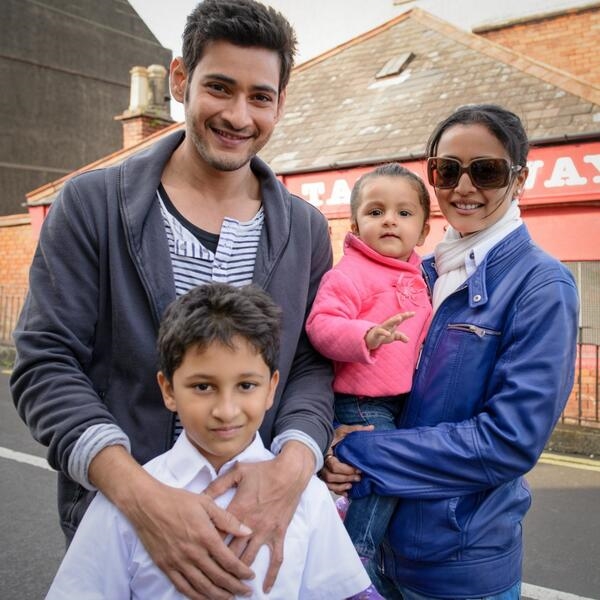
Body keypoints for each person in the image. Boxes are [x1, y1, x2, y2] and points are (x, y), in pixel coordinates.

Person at [11, 2, 335, 598]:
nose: (239, 115)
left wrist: (292, 470)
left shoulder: (306, 230)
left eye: (261, 96)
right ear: (180, 79)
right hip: (124, 532)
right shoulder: (90, 205)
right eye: (219, 87)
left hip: (257, 534)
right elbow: (46, 362)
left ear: (281, 101)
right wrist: (142, 499)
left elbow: (312, 364)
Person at [321, 104, 579, 599]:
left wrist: (360, 451)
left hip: (461, 572)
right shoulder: (423, 274)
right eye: (447, 169)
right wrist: (331, 438)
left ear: (519, 179)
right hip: (383, 558)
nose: (463, 187)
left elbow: (508, 441)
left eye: (485, 171)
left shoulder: (542, 285)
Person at [46, 283, 371, 600]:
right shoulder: (122, 506)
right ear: (169, 389)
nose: (225, 411)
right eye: (203, 386)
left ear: (272, 388)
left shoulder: (306, 496)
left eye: (246, 385)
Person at [305, 163, 432, 587]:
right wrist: (366, 335)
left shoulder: (421, 275)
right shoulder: (350, 273)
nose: (390, 220)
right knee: (382, 475)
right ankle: (354, 556)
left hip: (399, 403)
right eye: (376, 212)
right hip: (362, 401)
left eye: (404, 212)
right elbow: (321, 325)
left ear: (424, 229)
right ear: (356, 224)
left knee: (384, 475)